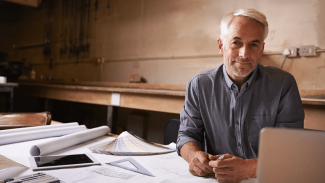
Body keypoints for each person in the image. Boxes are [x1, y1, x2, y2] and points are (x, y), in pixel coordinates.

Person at [176, 8, 304, 183]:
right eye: (236, 42)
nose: (244, 54)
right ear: (221, 45)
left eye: (253, 44)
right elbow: (186, 135)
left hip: (267, 177)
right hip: (215, 178)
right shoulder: (199, 85)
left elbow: (292, 149)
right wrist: (193, 156)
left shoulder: (283, 85)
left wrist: (249, 169)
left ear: (261, 49)